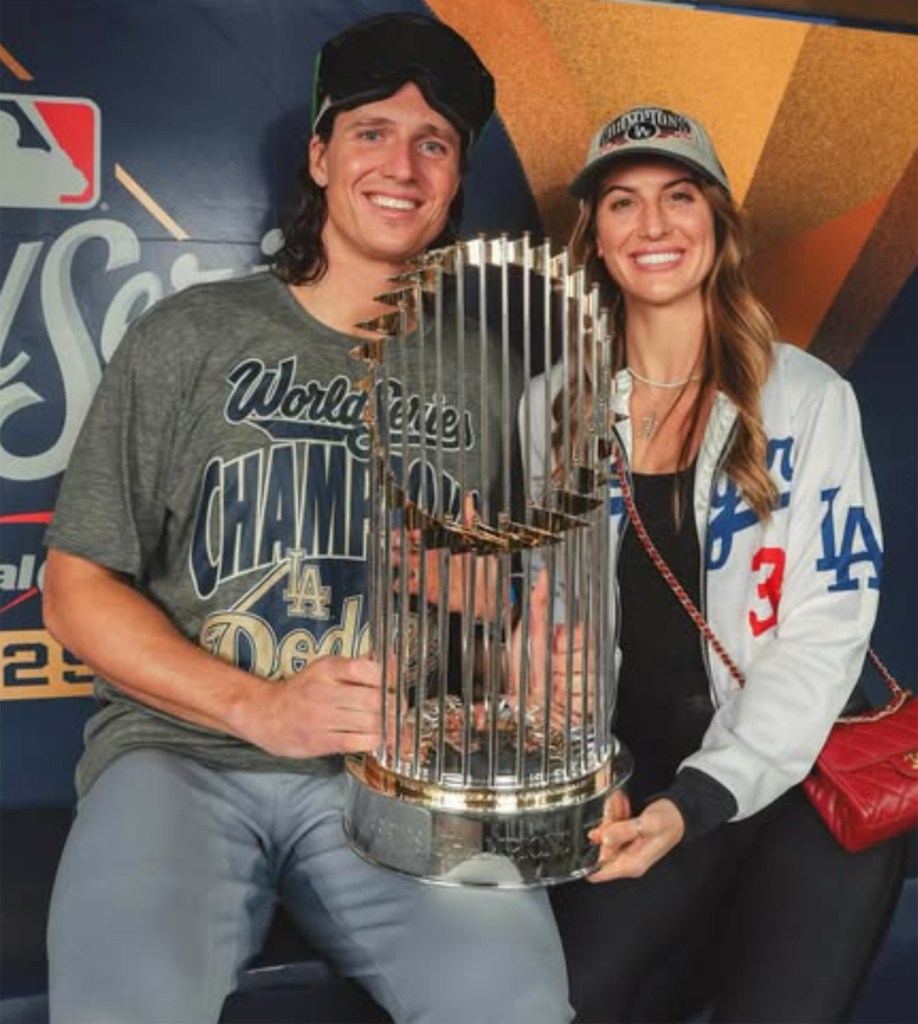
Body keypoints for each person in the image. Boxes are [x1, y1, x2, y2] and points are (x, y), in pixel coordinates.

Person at [42, 13, 572, 1024]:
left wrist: (504, 646)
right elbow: (74, 589)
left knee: (516, 1002)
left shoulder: (487, 375)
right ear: (321, 155)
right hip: (181, 755)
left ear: (456, 180)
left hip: (401, 775)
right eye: (373, 131)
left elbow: (499, 622)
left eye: (436, 143)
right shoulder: (193, 333)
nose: (404, 165)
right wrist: (258, 708)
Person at [525, 105, 906, 1022]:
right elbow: (550, 632)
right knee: (566, 1001)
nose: (652, 226)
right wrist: (585, 760)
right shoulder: (553, 409)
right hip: (642, 781)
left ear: (719, 225)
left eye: (678, 196)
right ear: (598, 238)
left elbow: (826, 635)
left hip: (804, 776)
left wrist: (696, 803)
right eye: (622, 203)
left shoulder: (807, 397)